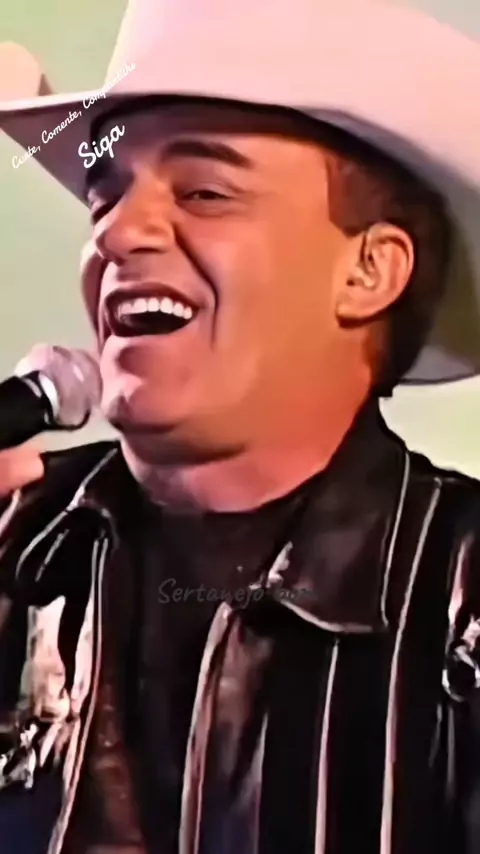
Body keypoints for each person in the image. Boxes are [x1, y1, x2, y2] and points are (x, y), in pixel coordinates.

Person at [1, 0, 480, 851]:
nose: (117, 232)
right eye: (105, 196)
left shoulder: (463, 597)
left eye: (204, 191)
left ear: (370, 271)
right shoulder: (15, 548)